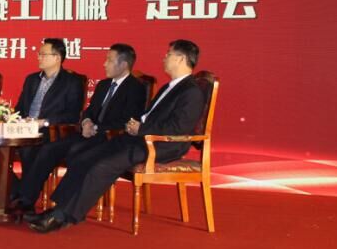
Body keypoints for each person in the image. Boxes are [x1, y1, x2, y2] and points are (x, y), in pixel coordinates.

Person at [28, 40, 206, 233]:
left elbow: (178, 128)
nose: (164, 58)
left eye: (169, 54)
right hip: (140, 138)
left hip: (160, 145)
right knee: (84, 157)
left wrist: (142, 128)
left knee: (102, 165)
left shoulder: (191, 91)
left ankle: (64, 216)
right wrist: (136, 126)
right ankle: (57, 209)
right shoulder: (169, 87)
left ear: (180, 59)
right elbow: (149, 117)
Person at [14, 43, 148, 211]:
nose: (104, 64)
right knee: (49, 149)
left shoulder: (135, 88)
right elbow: (89, 111)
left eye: (109, 60)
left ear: (123, 64)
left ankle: (59, 208)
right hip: (88, 134)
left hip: (109, 138)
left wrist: (96, 128)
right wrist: (86, 122)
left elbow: (127, 120)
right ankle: (25, 199)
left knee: (76, 153)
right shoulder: (104, 84)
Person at [12, 38, 84, 191]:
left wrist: (43, 122)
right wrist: (15, 118)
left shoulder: (72, 81)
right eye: (39, 54)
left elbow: (72, 115)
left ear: (57, 58)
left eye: (43, 54)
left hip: (50, 131)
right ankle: (18, 191)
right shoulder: (31, 79)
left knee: (28, 149)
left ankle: (21, 195)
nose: (39, 57)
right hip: (24, 129)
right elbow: (20, 107)